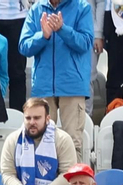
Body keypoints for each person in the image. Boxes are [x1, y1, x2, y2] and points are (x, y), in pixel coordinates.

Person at [17, 0, 92, 145]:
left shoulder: (82, 7)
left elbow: (86, 43)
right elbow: (24, 47)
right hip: (43, 86)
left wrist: (62, 29)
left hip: (72, 86)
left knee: (73, 142)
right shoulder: (36, 9)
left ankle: (73, 169)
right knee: (40, 141)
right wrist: (43, 36)